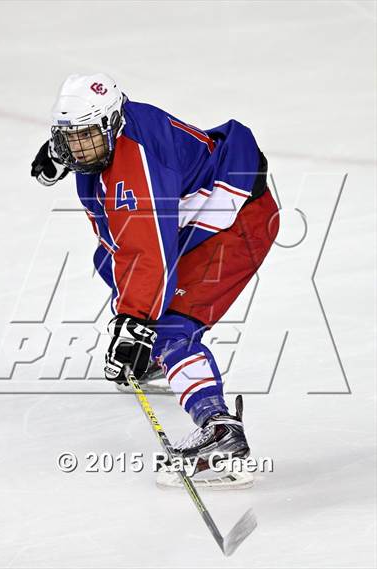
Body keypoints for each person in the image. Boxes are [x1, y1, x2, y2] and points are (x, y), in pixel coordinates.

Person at [31, 73, 279, 488]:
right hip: (200, 210)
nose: (79, 147)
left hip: (237, 222)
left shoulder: (136, 165)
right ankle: (157, 357)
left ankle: (221, 437)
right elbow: (130, 248)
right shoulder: (108, 139)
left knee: (167, 326)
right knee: (110, 260)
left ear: (113, 123)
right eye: (70, 137)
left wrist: (136, 325)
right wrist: (62, 155)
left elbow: (149, 253)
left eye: (88, 135)